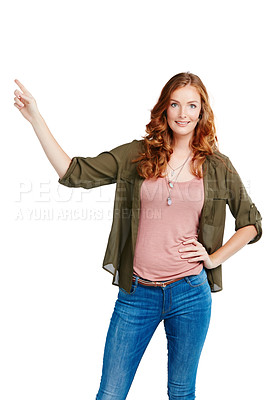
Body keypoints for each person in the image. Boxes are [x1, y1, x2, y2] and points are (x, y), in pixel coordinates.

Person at [14, 72, 262, 400]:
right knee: (111, 393)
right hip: (137, 296)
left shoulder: (217, 166)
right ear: (165, 108)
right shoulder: (138, 155)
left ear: (202, 112)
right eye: (175, 104)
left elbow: (251, 222)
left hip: (190, 294)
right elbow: (74, 173)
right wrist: (36, 118)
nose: (183, 113)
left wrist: (214, 257)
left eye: (192, 105)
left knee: (181, 392)